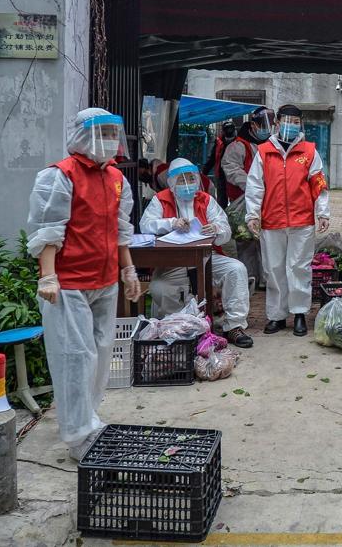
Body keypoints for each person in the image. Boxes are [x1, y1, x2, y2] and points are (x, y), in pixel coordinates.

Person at [28, 108, 142, 461]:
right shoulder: (59, 176)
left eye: (113, 133)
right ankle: (78, 435)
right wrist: (47, 274)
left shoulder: (115, 179)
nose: (109, 140)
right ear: (82, 134)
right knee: (75, 358)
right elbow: (49, 229)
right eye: (102, 132)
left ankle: (89, 418)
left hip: (105, 279)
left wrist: (128, 271)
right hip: (69, 283)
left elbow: (121, 230)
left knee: (101, 353)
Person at [140, 158, 253, 348]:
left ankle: (234, 326)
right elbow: (146, 225)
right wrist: (170, 223)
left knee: (236, 269)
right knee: (160, 287)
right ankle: (179, 328)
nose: (187, 184)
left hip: (207, 257)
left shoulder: (206, 200)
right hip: (173, 261)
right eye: (181, 180)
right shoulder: (160, 199)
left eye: (191, 179)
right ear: (171, 183)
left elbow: (225, 230)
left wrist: (216, 229)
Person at [245, 104, 330, 336]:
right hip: (272, 220)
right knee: (273, 269)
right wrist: (252, 214)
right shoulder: (263, 152)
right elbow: (254, 187)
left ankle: (300, 313)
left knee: (299, 268)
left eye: (295, 122)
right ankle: (277, 316)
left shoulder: (310, 152)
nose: (290, 125)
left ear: (300, 124)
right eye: (286, 121)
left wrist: (322, 213)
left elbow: (319, 185)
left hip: (302, 221)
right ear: (277, 123)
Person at [222, 108, 274, 286]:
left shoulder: (271, 145)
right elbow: (231, 170)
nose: (266, 129)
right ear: (253, 125)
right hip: (242, 201)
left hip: (268, 201)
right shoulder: (238, 146)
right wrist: (254, 185)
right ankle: (249, 280)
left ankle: (266, 281)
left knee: (267, 242)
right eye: (262, 125)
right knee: (246, 242)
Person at [204, 121, 238, 206]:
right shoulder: (219, 142)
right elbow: (212, 158)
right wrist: (204, 173)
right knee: (221, 200)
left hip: (235, 175)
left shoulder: (239, 143)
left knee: (236, 199)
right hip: (221, 175)